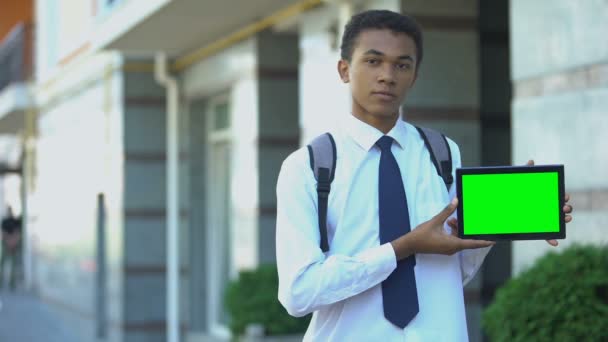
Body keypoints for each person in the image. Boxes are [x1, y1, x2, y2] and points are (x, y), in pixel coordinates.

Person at [275, 9, 573, 341]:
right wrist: (401, 248)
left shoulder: (443, 152)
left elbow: (450, 273)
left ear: (415, 76)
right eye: (373, 61)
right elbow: (298, 292)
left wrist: (511, 213)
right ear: (344, 70)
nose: (388, 75)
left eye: (402, 65)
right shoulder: (309, 166)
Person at [1, 206, 22, 291]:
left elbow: (18, 232)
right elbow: (3, 232)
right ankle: (2, 281)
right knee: (3, 263)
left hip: (13, 244)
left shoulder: (16, 221)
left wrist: (13, 241)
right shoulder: (4, 221)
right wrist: (8, 241)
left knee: (13, 265)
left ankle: (12, 283)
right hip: (6, 243)